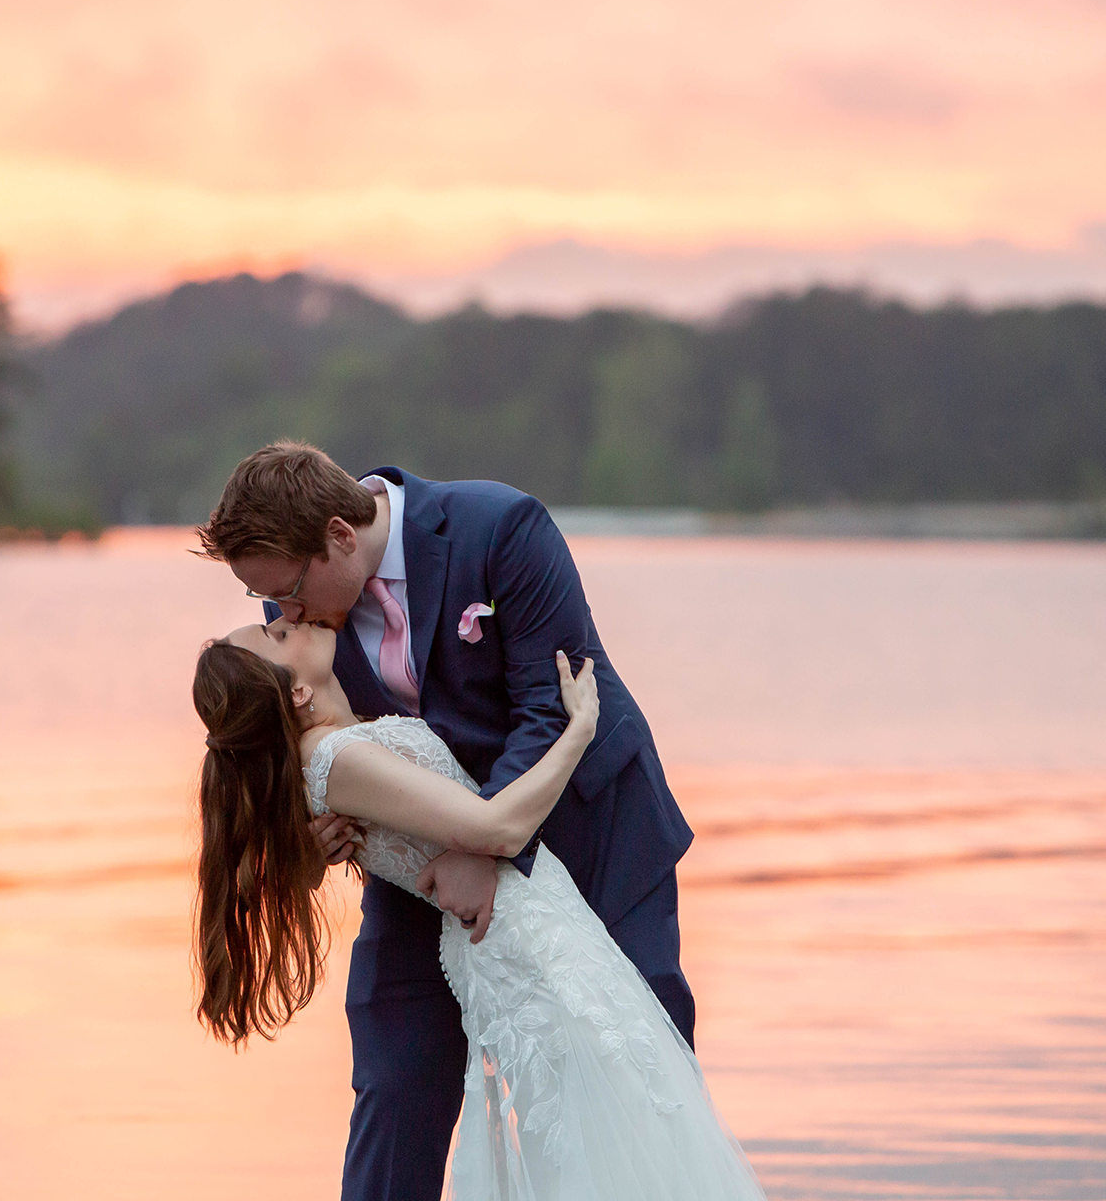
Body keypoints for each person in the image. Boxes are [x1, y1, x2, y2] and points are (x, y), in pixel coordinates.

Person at [195, 441, 706, 1199]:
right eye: (267, 605)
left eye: (292, 594)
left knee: (638, 1071)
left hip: (593, 834)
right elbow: (304, 758)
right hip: (425, 877)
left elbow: (545, 705)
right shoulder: (301, 623)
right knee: (395, 1080)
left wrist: (483, 849)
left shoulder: (500, 528)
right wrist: (309, 844)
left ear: (341, 534)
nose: (285, 614)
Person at [192, 622, 765, 1199]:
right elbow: (501, 829)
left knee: (621, 1118)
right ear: (294, 694)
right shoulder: (333, 758)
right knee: (611, 1124)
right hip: (519, 940)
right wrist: (579, 730)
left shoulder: (339, 747)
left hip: (534, 924)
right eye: (276, 634)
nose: (288, 617)